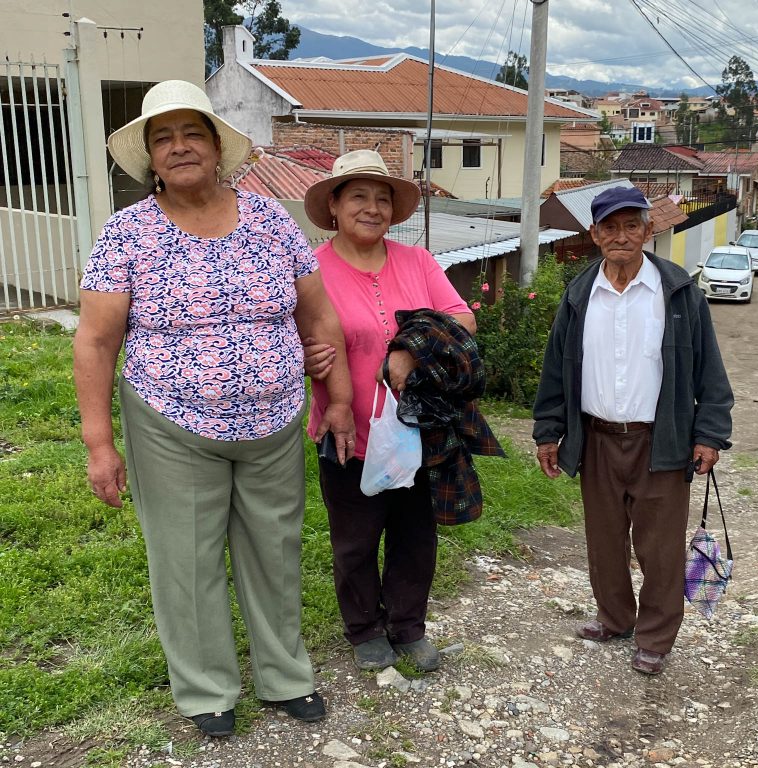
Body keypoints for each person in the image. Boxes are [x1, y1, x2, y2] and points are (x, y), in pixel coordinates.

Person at [73, 80, 355, 736]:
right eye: (162, 138)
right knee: (186, 558)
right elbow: (94, 339)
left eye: (191, 133)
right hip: (171, 422)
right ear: (150, 158)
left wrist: (335, 396)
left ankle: (286, 678)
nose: (179, 147)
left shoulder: (269, 220)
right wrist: (99, 442)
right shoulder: (127, 233)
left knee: (275, 549)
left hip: (273, 421)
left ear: (216, 145)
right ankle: (206, 690)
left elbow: (319, 317)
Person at [533, 186, 734, 675]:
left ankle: (655, 636)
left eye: (631, 226)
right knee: (603, 542)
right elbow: (556, 372)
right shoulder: (580, 295)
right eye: (610, 226)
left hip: (660, 440)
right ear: (595, 233)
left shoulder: (678, 291)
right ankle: (616, 618)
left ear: (649, 230)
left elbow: (709, 370)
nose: (620, 236)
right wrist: (548, 430)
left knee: (660, 548)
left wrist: (709, 433)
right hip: (596, 439)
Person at [301, 150, 477, 673]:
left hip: (417, 429)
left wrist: (412, 347)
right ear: (333, 205)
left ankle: (407, 626)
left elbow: (462, 319)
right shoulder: (310, 270)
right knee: (355, 537)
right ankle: (362, 628)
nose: (372, 208)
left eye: (382, 198)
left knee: (414, 533)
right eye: (358, 196)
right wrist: (303, 353)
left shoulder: (417, 262)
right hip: (345, 427)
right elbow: (289, 336)